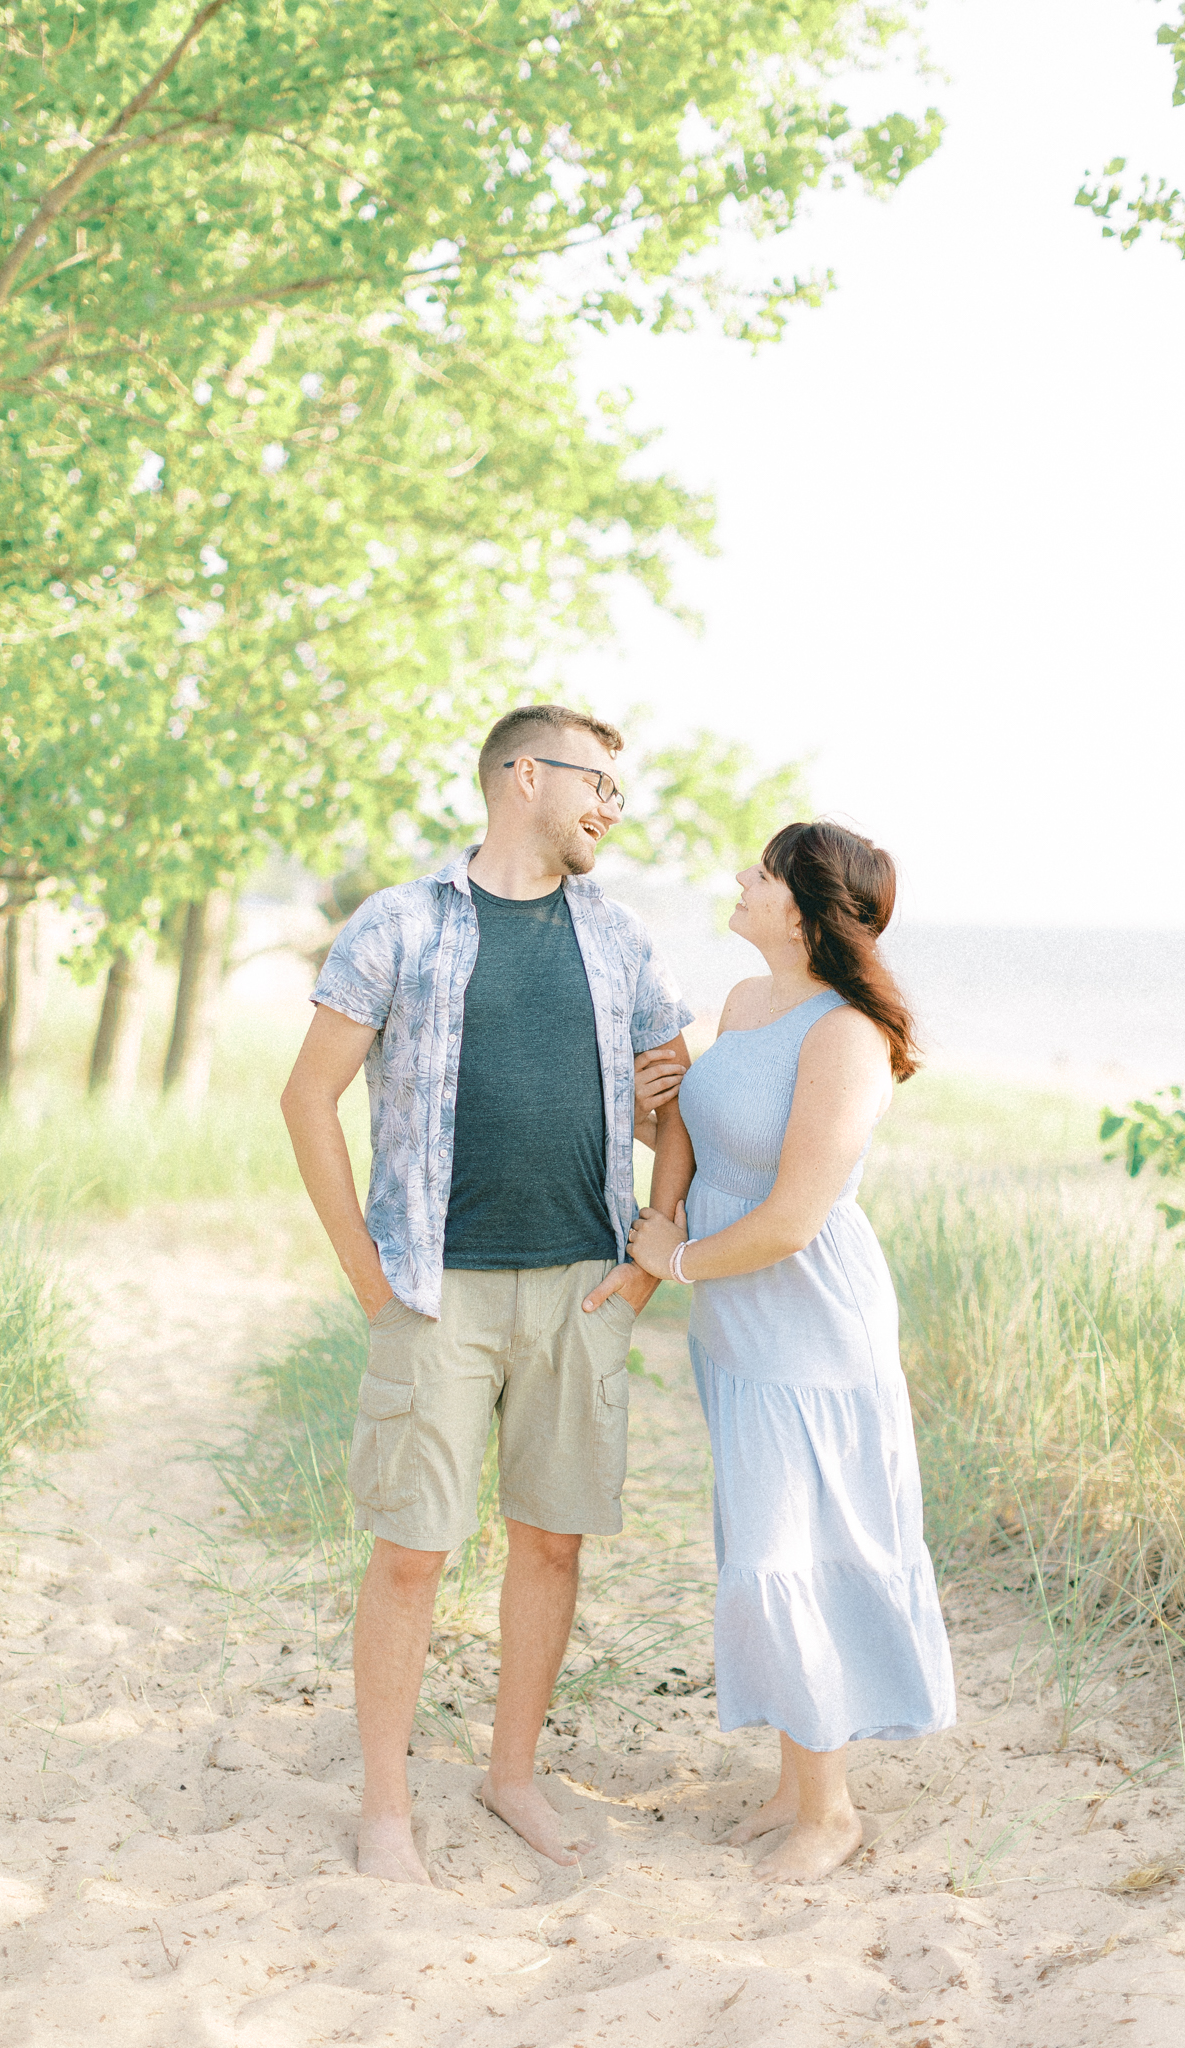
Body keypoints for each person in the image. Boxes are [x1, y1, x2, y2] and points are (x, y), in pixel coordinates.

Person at [280, 703, 693, 1886]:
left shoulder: (622, 937)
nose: (612, 804)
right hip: (435, 1288)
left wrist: (648, 1258)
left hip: (582, 1288)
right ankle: (386, 1804)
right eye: (597, 782)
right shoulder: (400, 924)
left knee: (551, 1543)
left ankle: (511, 1774)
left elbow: (678, 1102)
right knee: (413, 1549)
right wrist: (367, 1269)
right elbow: (309, 1099)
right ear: (523, 776)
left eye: (620, 787)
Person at [628, 820, 955, 1884]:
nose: (739, 879)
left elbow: (793, 1216)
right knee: (761, 1550)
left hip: (809, 1324)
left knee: (791, 1550)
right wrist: (655, 1138)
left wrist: (672, 1262)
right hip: (734, 1321)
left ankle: (832, 1811)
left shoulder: (846, 1035)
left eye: (761, 872)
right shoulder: (745, 1003)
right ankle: (792, 1779)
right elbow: (704, 1130)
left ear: (808, 906)